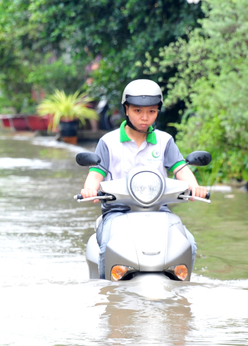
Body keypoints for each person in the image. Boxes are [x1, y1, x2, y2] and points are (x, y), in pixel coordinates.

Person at [80, 79, 207, 279]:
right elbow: (95, 174)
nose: (145, 118)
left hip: (159, 211)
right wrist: (90, 189)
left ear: (158, 112)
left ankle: (182, 291)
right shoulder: (109, 142)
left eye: (151, 111)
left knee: (188, 241)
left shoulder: (165, 141)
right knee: (108, 245)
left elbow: (181, 169)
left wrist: (195, 186)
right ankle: (107, 292)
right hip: (117, 212)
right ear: (126, 110)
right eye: (138, 111)